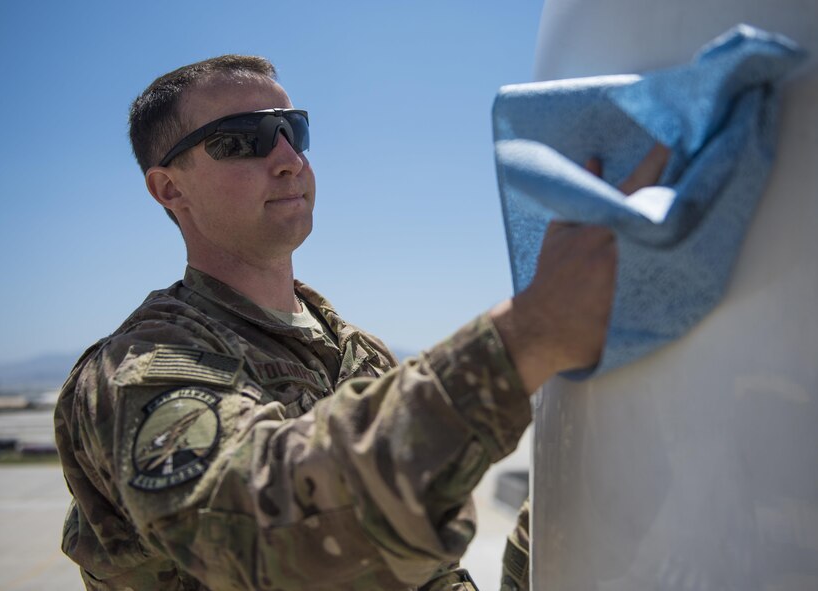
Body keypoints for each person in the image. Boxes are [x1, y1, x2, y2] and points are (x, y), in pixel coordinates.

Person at [54, 55, 666, 590]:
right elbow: (266, 545)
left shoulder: (360, 354)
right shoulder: (141, 364)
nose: (289, 158)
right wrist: (528, 335)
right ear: (168, 189)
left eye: (293, 131)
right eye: (241, 140)